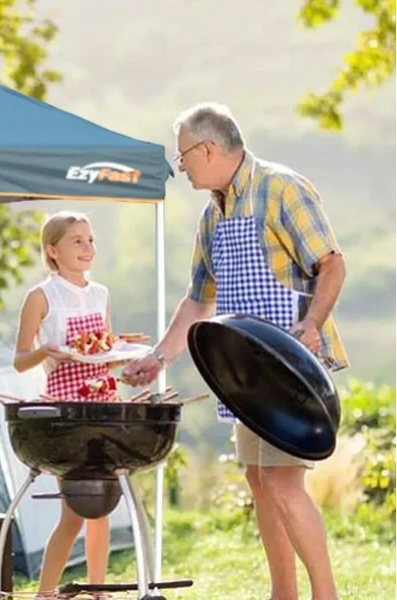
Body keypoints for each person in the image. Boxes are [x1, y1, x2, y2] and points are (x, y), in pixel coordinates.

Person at [122, 102, 347, 600]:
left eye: (184, 159)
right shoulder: (212, 214)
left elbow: (332, 265)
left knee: (285, 485)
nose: (182, 170)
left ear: (208, 148)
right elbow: (198, 299)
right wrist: (159, 358)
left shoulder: (281, 188)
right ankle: (282, 593)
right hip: (245, 376)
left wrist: (312, 324)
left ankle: (325, 595)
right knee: (260, 482)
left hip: (292, 369)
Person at [13, 211, 147, 596]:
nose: (88, 248)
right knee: (74, 511)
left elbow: (101, 350)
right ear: (52, 250)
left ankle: (98, 591)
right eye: (77, 241)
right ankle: (46, 593)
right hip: (66, 410)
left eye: (91, 240)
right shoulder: (41, 297)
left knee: (104, 505)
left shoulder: (100, 293)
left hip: (102, 399)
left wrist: (121, 355)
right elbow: (20, 359)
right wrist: (47, 351)